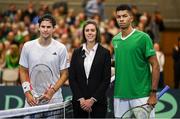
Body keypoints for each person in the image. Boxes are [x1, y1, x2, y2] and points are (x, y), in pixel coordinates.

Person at [112, 4, 160, 118]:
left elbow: (156, 65)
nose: (121, 19)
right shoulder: (115, 40)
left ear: (131, 18)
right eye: (118, 17)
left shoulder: (143, 38)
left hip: (141, 95)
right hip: (120, 94)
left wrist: (153, 93)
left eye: (124, 16)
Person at [19, 14, 69, 107]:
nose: (45, 30)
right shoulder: (27, 46)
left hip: (55, 99)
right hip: (32, 99)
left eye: (49, 27)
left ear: (54, 28)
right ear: (39, 28)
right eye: (43, 27)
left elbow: (65, 74)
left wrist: (52, 91)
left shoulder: (61, 48)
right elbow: (23, 70)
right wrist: (27, 93)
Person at [69, 19, 111, 118]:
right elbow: (72, 78)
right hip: (79, 103)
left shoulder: (105, 53)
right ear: (83, 33)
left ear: (97, 33)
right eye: (87, 30)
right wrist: (81, 99)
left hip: (98, 102)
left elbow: (106, 79)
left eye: (92, 30)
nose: (90, 33)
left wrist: (92, 100)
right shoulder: (76, 52)